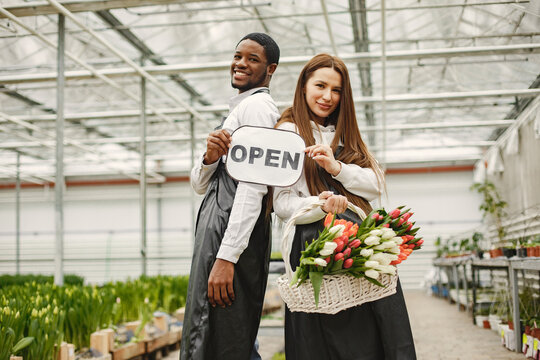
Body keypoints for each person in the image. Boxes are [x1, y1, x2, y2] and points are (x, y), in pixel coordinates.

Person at [272, 54, 417, 360]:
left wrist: (336, 167)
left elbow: (376, 184)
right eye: (320, 86)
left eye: (336, 90)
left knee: (377, 328)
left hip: (359, 240)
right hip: (317, 244)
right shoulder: (287, 133)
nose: (327, 97)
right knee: (324, 336)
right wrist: (320, 203)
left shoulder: (345, 132)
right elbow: (282, 203)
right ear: (303, 87)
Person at [180, 33, 280, 360]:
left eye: (253, 59)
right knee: (222, 334)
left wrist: (227, 258)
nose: (240, 63)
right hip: (218, 231)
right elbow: (198, 184)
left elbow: (254, 187)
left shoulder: (257, 108)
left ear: (270, 69)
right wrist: (210, 157)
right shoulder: (238, 109)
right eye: (238, 55)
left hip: (229, 239)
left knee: (225, 337)